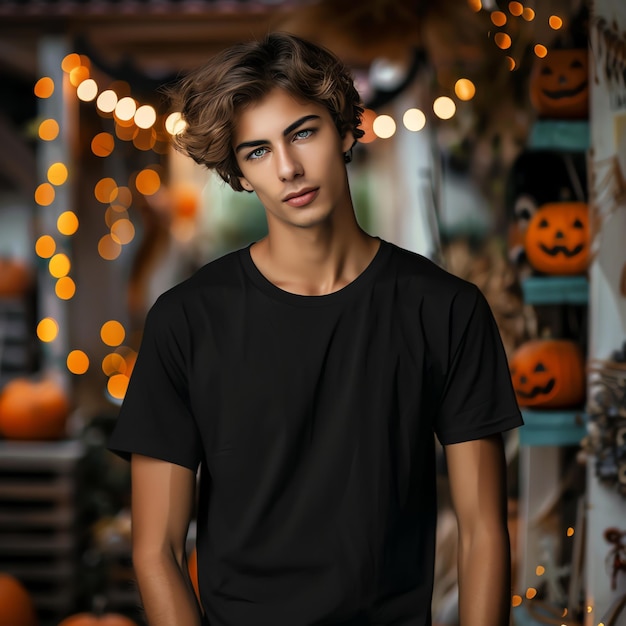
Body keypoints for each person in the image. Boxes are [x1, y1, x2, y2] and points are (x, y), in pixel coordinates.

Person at [109, 31, 523, 626]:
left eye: (303, 132)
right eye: (256, 151)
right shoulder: (186, 321)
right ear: (240, 175)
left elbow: (485, 531)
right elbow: (157, 550)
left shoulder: (446, 310)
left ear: (347, 129)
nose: (287, 168)